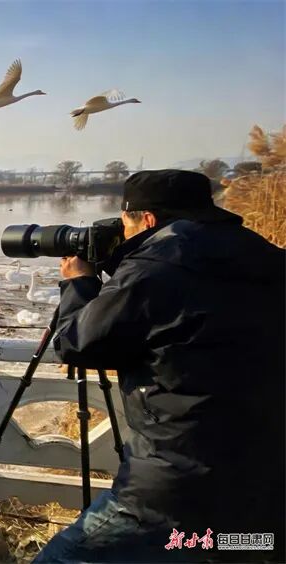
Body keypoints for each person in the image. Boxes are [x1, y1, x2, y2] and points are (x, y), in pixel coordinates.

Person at [35, 170, 285, 563]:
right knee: (228, 550)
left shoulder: (155, 267)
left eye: (126, 224)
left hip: (173, 493)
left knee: (63, 559)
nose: (123, 234)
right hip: (266, 489)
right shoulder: (265, 255)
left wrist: (79, 284)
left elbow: (78, 344)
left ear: (148, 219)